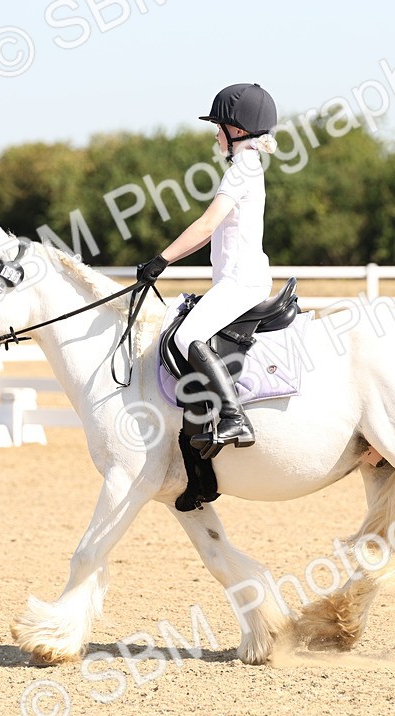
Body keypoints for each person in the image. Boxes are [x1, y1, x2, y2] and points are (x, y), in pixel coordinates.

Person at [136, 83, 278, 458]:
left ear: (237, 130)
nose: (216, 134)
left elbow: (204, 226)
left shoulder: (241, 170)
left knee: (187, 336)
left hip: (241, 282)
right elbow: (205, 236)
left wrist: (160, 260)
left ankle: (234, 415)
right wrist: (164, 262)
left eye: (219, 127)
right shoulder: (248, 164)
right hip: (242, 279)